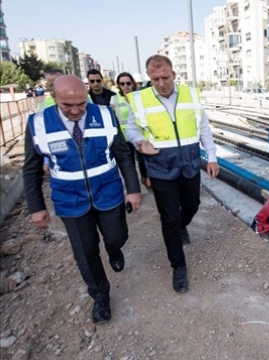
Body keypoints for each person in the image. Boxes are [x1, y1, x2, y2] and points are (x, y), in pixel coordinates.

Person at [22, 75, 142, 324]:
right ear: (54, 98)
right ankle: (100, 297)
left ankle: (113, 250)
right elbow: (31, 169)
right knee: (85, 254)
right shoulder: (38, 123)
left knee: (117, 236)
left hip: (108, 192)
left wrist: (133, 188)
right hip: (69, 200)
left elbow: (122, 154)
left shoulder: (105, 115)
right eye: (68, 106)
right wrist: (37, 207)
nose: (76, 110)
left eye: (81, 104)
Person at [125, 54, 219, 294]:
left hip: (189, 165)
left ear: (174, 75)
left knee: (193, 206)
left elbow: (204, 128)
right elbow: (131, 130)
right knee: (169, 218)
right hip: (160, 168)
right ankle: (178, 266)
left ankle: (182, 225)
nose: (161, 83)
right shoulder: (140, 100)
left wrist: (212, 157)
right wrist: (140, 142)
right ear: (149, 78)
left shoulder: (190, 95)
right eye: (155, 79)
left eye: (165, 77)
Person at [110, 72, 151, 188]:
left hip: (139, 134)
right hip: (123, 137)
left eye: (128, 83)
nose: (125, 86)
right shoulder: (114, 99)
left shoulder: (139, 98)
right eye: (122, 84)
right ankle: (134, 186)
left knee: (143, 161)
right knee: (129, 163)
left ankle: (145, 178)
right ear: (118, 85)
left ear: (132, 83)